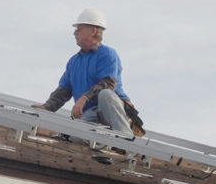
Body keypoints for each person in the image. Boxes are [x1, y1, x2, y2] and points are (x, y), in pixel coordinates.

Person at [31, 9, 144, 144]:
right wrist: (46, 107)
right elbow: (64, 91)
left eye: (79, 29)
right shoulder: (74, 62)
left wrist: (84, 98)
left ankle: (126, 142)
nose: (75, 33)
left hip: (111, 111)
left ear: (93, 31)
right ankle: (106, 144)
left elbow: (108, 83)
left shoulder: (107, 54)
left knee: (106, 94)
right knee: (75, 136)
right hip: (91, 113)